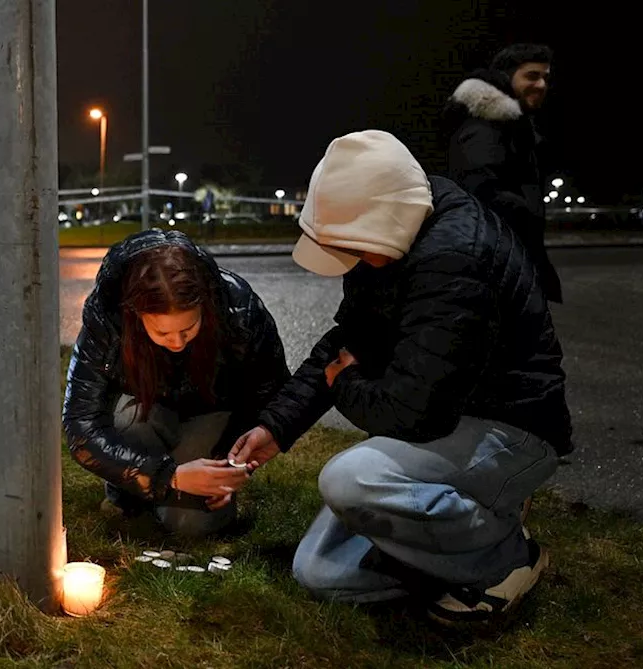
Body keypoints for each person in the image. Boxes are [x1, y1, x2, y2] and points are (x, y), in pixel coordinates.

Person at [230, 130, 572, 625]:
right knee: (318, 572)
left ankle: (506, 555)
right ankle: (458, 549)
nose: (352, 262)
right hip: (446, 417)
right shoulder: (399, 231)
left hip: (509, 426)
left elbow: (410, 412)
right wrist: (276, 428)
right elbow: (347, 342)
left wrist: (344, 382)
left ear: (381, 222)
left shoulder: (454, 259)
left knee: (349, 479)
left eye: (355, 249)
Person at [64, 229, 289, 538]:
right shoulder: (108, 316)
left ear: (205, 305)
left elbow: (271, 393)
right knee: (129, 419)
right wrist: (169, 476)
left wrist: (232, 465)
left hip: (212, 416)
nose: (178, 343)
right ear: (136, 314)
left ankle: (154, 497)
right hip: (145, 413)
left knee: (191, 527)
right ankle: (132, 495)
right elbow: (81, 425)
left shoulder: (238, 306)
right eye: (163, 333)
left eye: (189, 328)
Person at [446, 43, 560, 303]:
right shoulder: (486, 128)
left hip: (505, 266)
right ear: (505, 77)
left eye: (546, 77)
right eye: (532, 76)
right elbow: (480, 195)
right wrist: (527, 215)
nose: (542, 85)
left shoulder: (510, 127)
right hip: (495, 271)